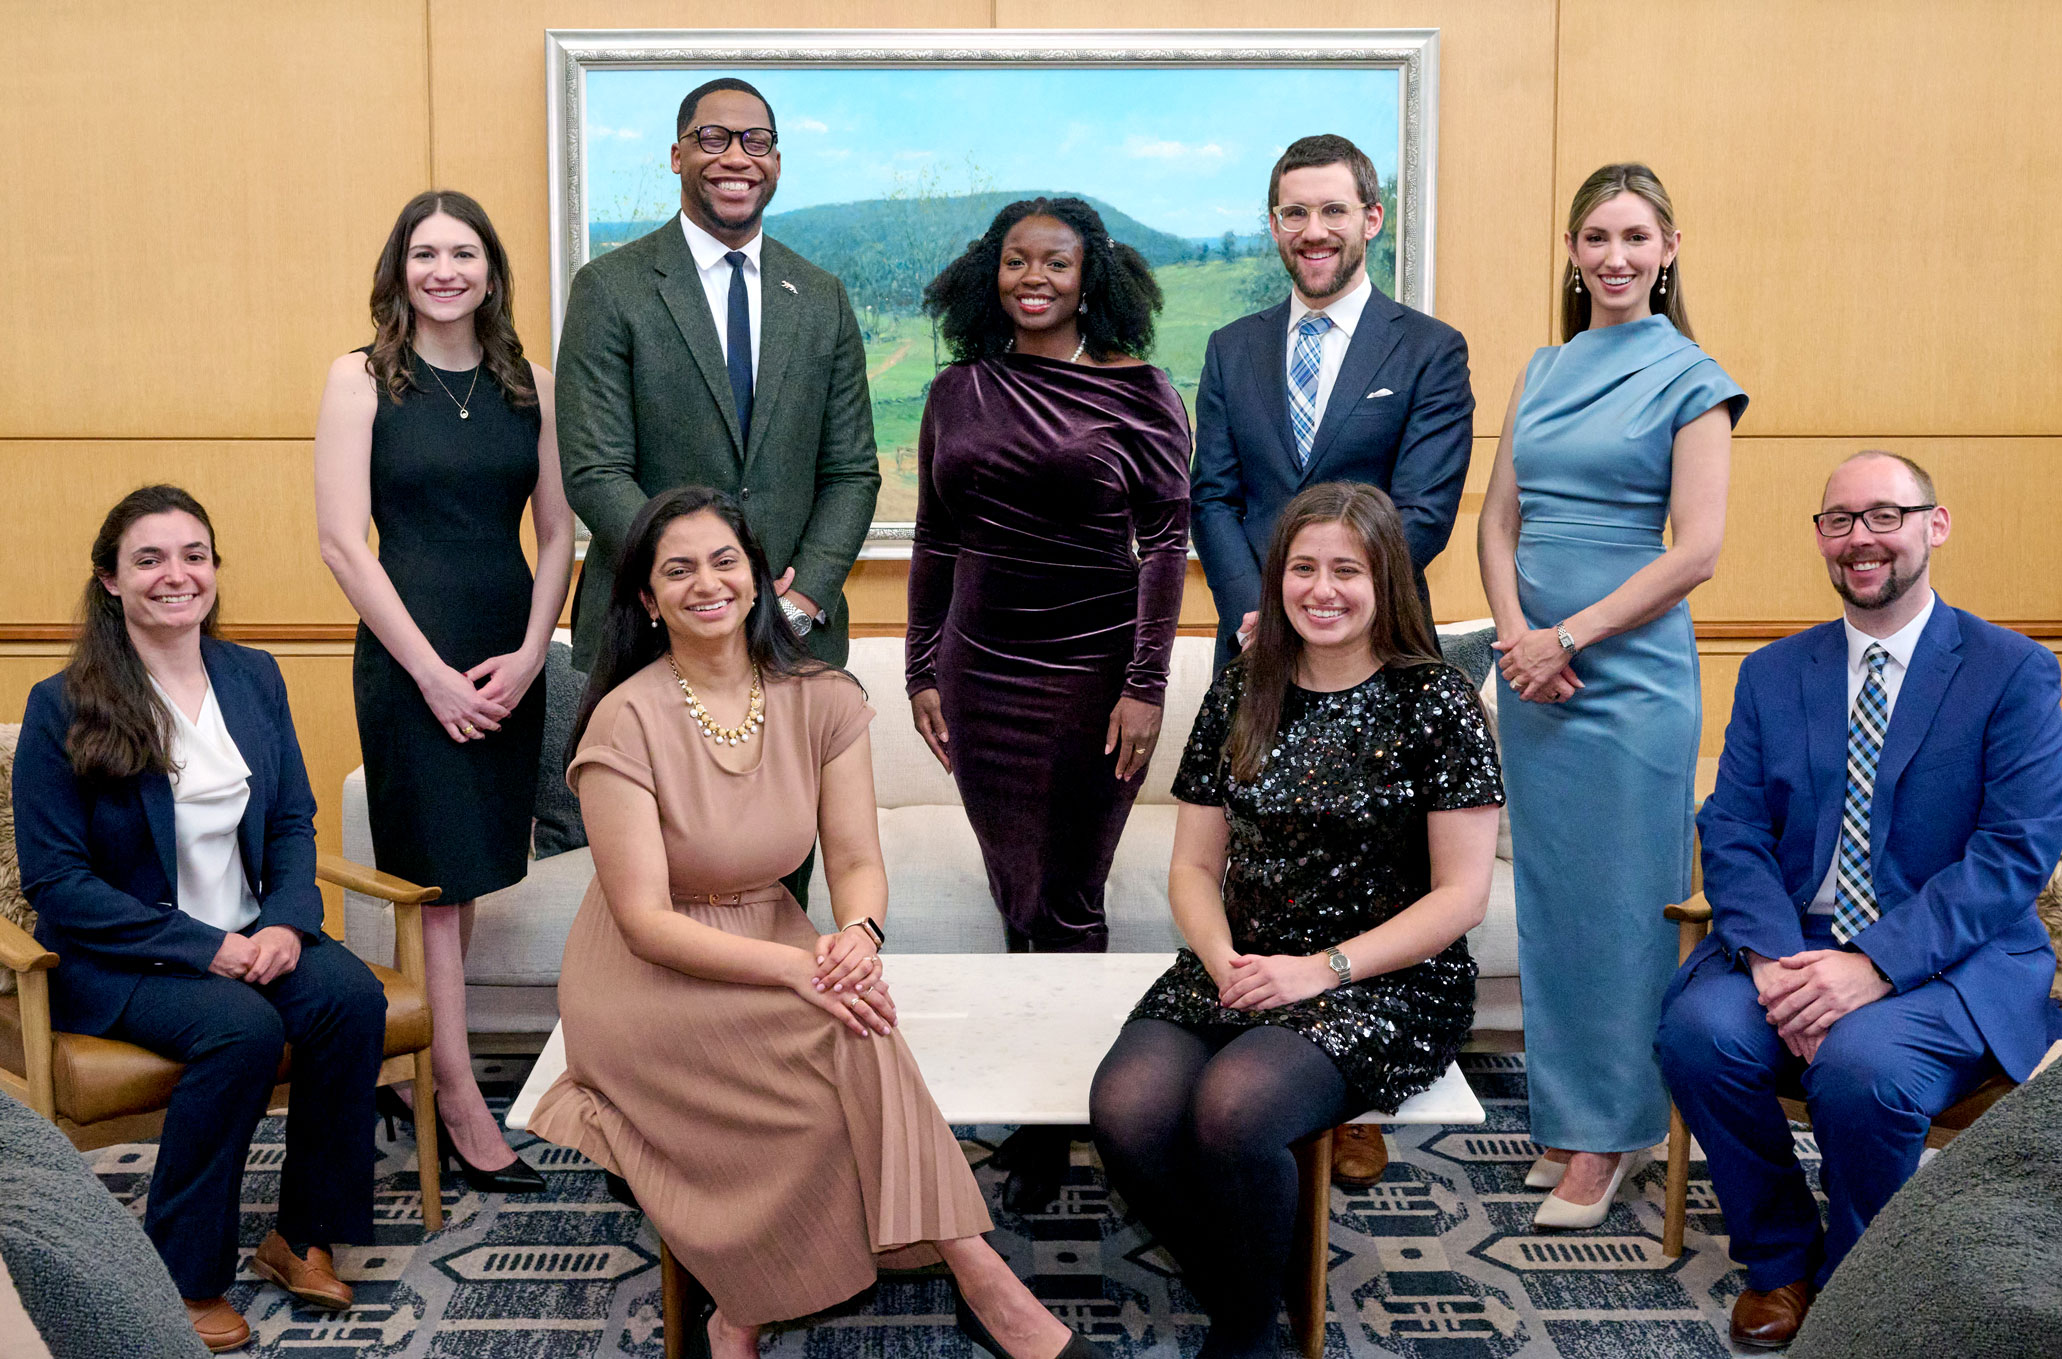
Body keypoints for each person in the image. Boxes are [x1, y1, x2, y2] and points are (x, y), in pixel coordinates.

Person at [527, 488, 1108, 1359]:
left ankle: (742, 1313)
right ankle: (990, 1287)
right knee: (851, 1028)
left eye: (724, 560)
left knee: (854, 1017)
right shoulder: (626, 718)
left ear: (759, 577)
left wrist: (858, 936)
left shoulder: (822, 697)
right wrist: (807, 970)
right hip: (646, 977)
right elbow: (645, 921)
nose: (706, 583)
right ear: (647, 600)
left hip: (769, 933)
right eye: (676, 570)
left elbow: (855, 862)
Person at [1657, 451, 2062, 1350]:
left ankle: (1859, 1283)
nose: (1861, 538)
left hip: (1953, 960)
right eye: (1839, 520)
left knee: (1863, 1068)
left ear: (1934, 525)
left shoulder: (2014, 671)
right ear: (1821, 539)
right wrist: (1768, 958)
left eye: (1885, 515)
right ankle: (1780, 1260)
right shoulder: (1774, 672)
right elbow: (1731, 828)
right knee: (1699, 1030)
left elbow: (2013, 855)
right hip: (1793, 939)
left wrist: (1871, 965)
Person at [1090, 482, 1503, 1359]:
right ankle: (1260, 1278)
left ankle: (1245, 1334)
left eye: (1347, 570)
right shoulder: (1244, 686)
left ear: (1384, 579)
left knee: (1232, 1111)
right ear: (1277, 579)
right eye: (1304, 567)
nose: (1323, 589)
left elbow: (1461, 896)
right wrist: (1222, 955)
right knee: (1125, 1108)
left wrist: (1322, 968)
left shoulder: (1434, 702)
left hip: (1382, 980)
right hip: (1237, 959)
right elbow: (1195, 865)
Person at [13, 486, 388, 1354]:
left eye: (194, 554)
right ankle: (179, 1271)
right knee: (243, 1032)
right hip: (125, 959)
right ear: (109, 579)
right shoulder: (63, 702)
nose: (176, 575)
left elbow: (293, 821)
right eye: (149, 559)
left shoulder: (253, 674)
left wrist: (289, 925)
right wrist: (206, 946)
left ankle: (299, 1235)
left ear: (215, 569)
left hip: (253, 932)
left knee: (349, 996)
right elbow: (57, 881)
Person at [905, 195, 1191, 1210]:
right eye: (1016, 261)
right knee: (1015, 894)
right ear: (992, 273)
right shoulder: (957, 391)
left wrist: (1145, 686)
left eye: (1055, 263)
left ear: (1090, 277)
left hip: (1092, 681)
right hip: (981, 677)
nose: (1033, 278)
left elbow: (1164, 547)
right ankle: (1040, 1111)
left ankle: (1072, 1112)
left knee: (1069, 897)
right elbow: (937, 537)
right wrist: (919, 670)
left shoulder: (1142, 393)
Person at [1476, 162, 1746, 1229]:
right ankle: (1570, 1117)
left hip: (1629, 682)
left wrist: (1567, 636)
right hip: (1536, 678)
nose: (1615, 257)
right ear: (1573, 250)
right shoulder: (1542, 369)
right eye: (1596, 236)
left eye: (1636, 237)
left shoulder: (1694, 378)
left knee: (1625, 910)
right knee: (1553, 906)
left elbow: (1700, 551)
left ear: (1669, 249)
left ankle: (1613, 1138)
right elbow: (1498, 520)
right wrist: (1513, 639)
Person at [315, 189, 570, 1193]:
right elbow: (342, 542)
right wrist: (427, 673)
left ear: (491, 271)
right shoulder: (359, 378)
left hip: (504, 650)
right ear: (400, 269)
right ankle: (458, 1095)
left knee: (466, 876)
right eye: (425, 254)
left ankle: (423, 1066)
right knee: (432, 882)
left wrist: (529, 651)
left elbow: (556, 535)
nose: (445, 271)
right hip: (407, 651)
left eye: (463, 253)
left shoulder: (529, 384)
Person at [555, 76, 879, 676]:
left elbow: (851, 471)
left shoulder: (820, 297)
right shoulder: (609, 290)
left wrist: (803, 598)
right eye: (713, 137)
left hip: (794, 637)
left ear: (776, 162)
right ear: (678, 156)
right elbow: (595, 470)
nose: (737, 156)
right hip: (645, 633)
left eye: (756, 142)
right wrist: (692, 583)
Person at [1191, 133, 1474, 671]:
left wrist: (1330, 605)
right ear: (1274, 226)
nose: (1313, 231)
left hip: (1383, 649)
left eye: (1334, 211)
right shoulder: (1230, 349)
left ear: (1371, 220)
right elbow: (1212, 502)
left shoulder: (1430, 350)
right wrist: (1263, 616)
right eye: (1294, 213)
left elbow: (1424, 512)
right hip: (1254, 653)